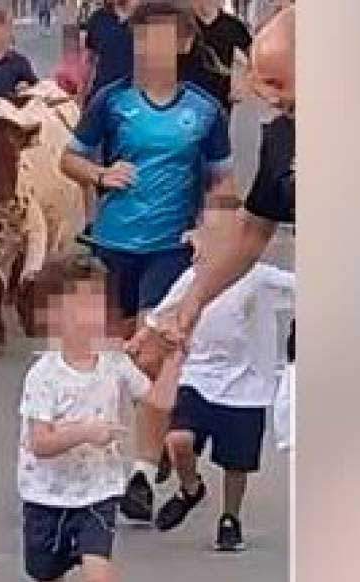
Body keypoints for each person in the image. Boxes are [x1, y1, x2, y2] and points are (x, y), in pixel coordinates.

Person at [59, 0, 237, 524]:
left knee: (150, 356)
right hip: (114, 244)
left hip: (169, 248)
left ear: (182, 46)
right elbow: (70, 157)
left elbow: (223, 182)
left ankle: (139, 469)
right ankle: (125, 459)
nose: (150, 50)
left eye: (161, 40)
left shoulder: (204, 111)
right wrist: (100, 175)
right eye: (142, 41)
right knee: (110, 359)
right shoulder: (112, 103)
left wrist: (209, 228)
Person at [149, 4, 294, 355]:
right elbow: (252, 233)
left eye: (280, 87)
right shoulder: (282, 138)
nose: (272, 102)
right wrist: (193, 302)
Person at [17, 257, 151, 582]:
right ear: (56, 317)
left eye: (98, 305)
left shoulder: (114, 362)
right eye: (81, 307)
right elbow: (40, 443)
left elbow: (153, 398)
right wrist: (86, 433)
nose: (93, 316)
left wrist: (171, 354)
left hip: (98, 490)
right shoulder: (44, 375)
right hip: (46, 495)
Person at [146, 262, 294, 552]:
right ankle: (191, 488)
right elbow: (161, 315)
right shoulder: (193, 277)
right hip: (197, 374)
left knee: (236, 464)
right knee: (178, 439)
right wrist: (162, 333)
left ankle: (230, 518)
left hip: (246, 382)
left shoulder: (261, 277)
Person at [184, 0, 252, 113]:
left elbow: (256, 60)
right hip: (184, 103)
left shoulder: (233, 25)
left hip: (219, 105)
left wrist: (245, 84)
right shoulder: (182, 24)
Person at [80, 0, 135, 102]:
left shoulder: (148, 20)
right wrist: (82, 96)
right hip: (102, 98)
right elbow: (88, 60)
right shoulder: (98, 19)